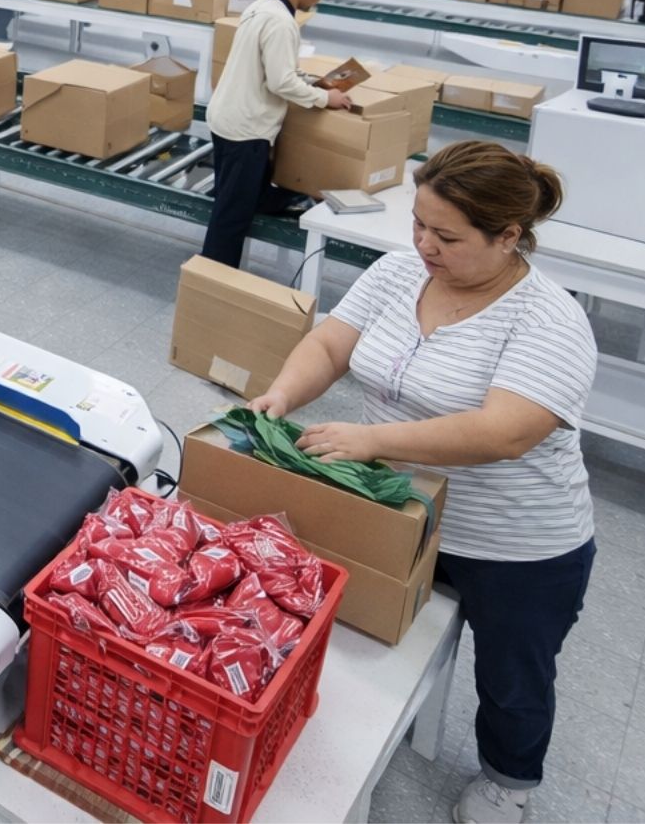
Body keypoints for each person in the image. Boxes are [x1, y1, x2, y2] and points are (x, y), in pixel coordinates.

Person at [251, 142, 596, 824]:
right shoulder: (400, 272)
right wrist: (281, 396)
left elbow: (505, 431)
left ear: (508, 237)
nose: (424, 244)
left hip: (515, 541)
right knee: (373, 637)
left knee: (511, 676)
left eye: (446, 235)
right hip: (404, 510)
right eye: (419, 224)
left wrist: (372, 440)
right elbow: (330, 344)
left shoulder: (549, 318)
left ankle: (509, 778)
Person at [199, 0, 350, 268]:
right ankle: (213, 280)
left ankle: (291, 199)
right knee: (231, 218)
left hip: (226, 116)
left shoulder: (262, 7)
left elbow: (278, 68)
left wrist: (311, 82)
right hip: (246, 130)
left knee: (246, 196)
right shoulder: (282, 23)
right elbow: (279, 83)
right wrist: (326, 99)